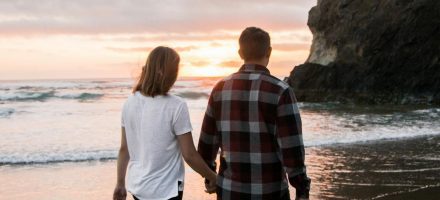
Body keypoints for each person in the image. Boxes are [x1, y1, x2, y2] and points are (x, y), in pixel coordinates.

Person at [197, 27, 311, 200]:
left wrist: (209, 175)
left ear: (240, 52)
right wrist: (302, 189)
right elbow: (292, 149)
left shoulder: (220, 89)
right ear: (269, 52)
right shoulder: (281, 91)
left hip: (229, 192)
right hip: (270, 192)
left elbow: (207, 143)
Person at [113, 46, 217, 200]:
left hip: (139, 188)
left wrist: (120, 183)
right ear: (170, 74)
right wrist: (213, 177)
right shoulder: (176, 105)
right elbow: (189, 155)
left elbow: (124, 149)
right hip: (167, 190)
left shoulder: (129, 102)